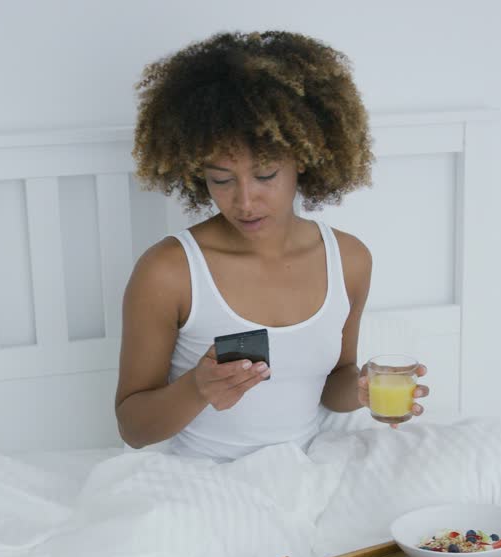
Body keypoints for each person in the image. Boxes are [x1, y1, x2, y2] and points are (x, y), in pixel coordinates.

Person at [115, 30, 429, 461]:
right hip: (200, 483)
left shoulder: (349, 261)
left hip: (304, 469)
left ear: (304, 157)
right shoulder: (168, 271)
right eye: (221, 180)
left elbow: (333, 383)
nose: (244, 201)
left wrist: (363, 389)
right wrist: (197, 388)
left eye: (265, 175)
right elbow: (133, 428)